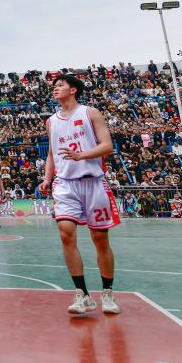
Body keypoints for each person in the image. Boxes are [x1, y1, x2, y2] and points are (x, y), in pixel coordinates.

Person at [38, 74, 120, 316]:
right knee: (65, 234)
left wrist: (81, 155)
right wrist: (47, 178)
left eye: (60, 85)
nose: (55, 89)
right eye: (54, 86)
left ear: (73, 89)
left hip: (93, 181)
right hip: (65, 183)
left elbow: (107, 146)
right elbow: (52, 153)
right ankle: (82, 294)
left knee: (100, 239)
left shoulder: (90, 113)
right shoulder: (51, 121)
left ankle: (107, 292)